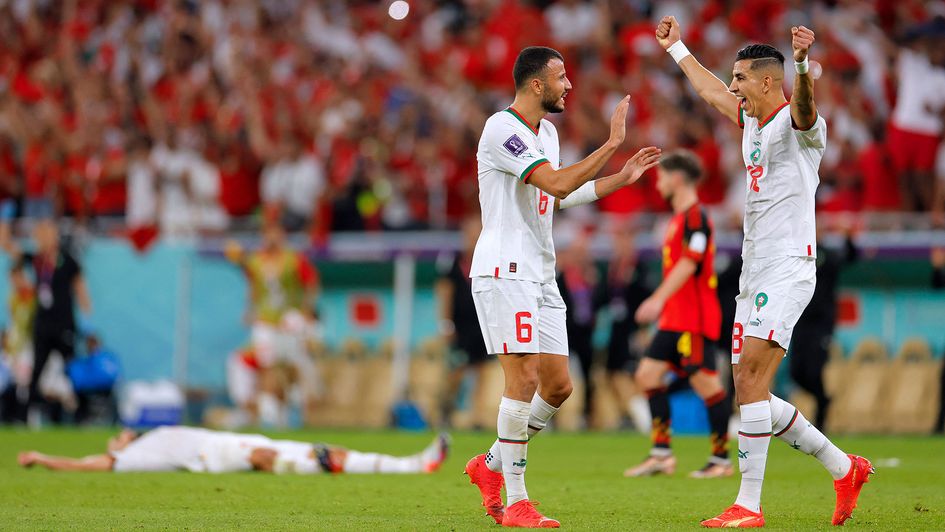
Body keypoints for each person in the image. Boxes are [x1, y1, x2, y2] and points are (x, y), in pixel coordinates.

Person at [655, 17, 873, 527]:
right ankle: (844, 468)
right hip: (754, 271)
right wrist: (677, 48)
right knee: (747, 387)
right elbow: (709, 91)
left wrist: (801, 65)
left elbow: (804, 106)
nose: (733, 87)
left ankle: (748, 506)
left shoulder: (802, 127)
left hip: (789, 266)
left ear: (767, 81)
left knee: (751, 376)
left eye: (741, 79)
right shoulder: (751, 121)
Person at [463, 45, 661, 528]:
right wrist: (611, 144)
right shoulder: (501, 128)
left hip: (540, 272)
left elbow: (560, 196)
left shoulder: (546, 133)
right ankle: (517, 501)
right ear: (536, 84)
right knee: (524, 379)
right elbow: (553, 183)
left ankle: (489, 465)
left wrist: (622, 177)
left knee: (557, 386)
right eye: (561, 77)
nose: (568, 85)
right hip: (505, 268)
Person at [624, 150, 731, 479]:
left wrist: (656, 299)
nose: (657, 183)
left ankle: (721, 460)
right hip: (675, 318)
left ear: (678, 178)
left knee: (706, 384)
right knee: (647, 376)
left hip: (693, 319)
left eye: (661, 176)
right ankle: (661, 454)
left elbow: (690, 262)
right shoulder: (677, 220)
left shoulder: (696, 218)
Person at [18, 426, 449, 475]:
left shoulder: (148, 434)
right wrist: (43, 459)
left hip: (233, 439)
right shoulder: (134, 456)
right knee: (264, 460)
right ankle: (309, 469)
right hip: (213, 457)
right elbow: (91, 463)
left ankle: (414, 464)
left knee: (327, 447)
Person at [224, 221, 321, 427]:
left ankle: (292, 409)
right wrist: (249, 310)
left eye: (275, 233)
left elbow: (311, 283)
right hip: (265, 322)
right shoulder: (256, 261)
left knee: (290, 366)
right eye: (268, 234)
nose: (271, 239)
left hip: (288, 321)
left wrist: (306, 309)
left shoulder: (293, 260)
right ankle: (269, 414)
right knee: (267, 365)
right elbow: (253, 286)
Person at [0, 218, 92, 426]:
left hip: (64, 324)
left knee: (71, 369)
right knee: (36, 372)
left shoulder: (67, 260)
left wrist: (86, 309)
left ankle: (81, 414)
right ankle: (23, 417)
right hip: (43, 326)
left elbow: (79, 286)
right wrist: (5, 231)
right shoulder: (37, 260)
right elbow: (12, 251)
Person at [789, 226, 858, 430]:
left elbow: (851, 258)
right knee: (796, 372)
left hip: (821, 325)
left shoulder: (828, 255)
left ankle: (821, 419)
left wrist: (849, 239)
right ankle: (823, 399)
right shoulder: (798, 254)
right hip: (800, 321)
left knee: (815, 370)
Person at [436, 215, 491, 427]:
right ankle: (446, 409)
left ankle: (477, 416)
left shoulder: (489, 259)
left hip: (482, 325)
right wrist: (446, 323)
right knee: (456, 370)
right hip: (460, 327)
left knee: (481, 371)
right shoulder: (453, 261)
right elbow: (445, 293)